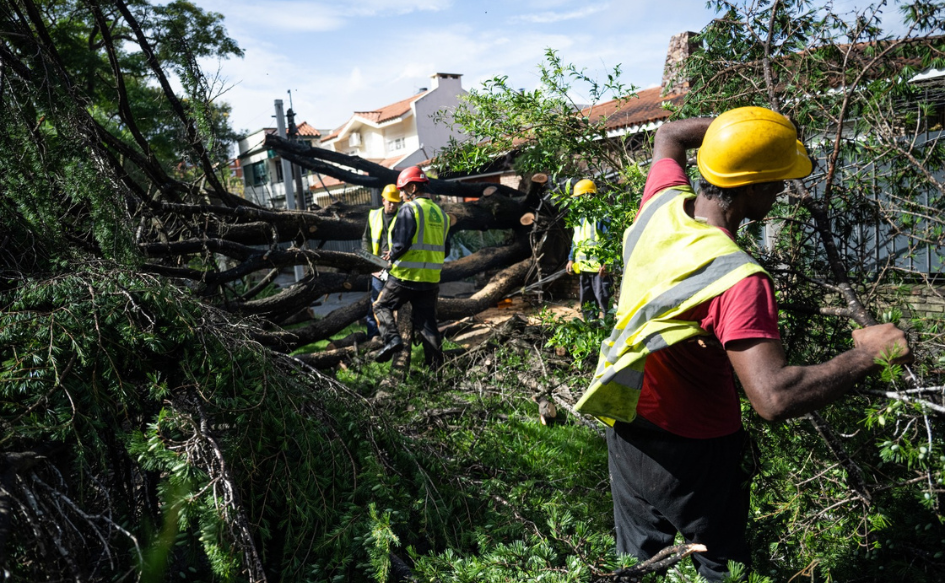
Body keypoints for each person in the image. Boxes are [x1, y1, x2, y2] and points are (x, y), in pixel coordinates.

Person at [574, 106, 911, 581]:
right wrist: (869, 354)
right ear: (751, 187)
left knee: (636, 567)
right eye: (775, 182)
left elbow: (669, 133)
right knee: (721, 567)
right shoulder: (736, 278)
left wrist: (750, 135)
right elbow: (775, 397)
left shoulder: (660, 206)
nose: (779, 192)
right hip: (696, 454)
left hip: (630, 426)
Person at [372, 166, 450, 368]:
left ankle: (392, 339)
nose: (401, 194)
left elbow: (401, 243)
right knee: (428, 326)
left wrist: (392, 254)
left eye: (403, 189)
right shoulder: (442, 214)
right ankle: (436, 372)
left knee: (381, 305)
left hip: (405, 275)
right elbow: (446, 248)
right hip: (430, 279)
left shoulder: (410, 208)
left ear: (413, 187)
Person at [565, 179, 612, 321]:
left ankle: (609, 330)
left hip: (599, 270)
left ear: (588, 196)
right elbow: (575, 240)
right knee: (587, 304)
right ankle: (590, 331)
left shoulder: (602, 215)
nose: (577, 201)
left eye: (579, 198)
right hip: (584, 268)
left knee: (604, 302)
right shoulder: (578, 216)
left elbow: (609, 240)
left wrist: (607, 263)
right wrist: (571, 259)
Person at [361, 184, 401, 339]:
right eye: (390, 201)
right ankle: (374, 335)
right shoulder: (374, 215)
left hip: (396, 267)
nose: (392, 205)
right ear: (383, 199)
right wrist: (369, 258)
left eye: (395, 202)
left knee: (395, 304)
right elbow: (366, 238)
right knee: (376, 301)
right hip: (378, 266)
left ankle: (395, 336)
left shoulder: (403, 216)